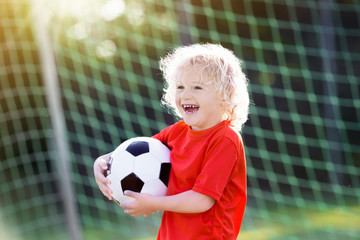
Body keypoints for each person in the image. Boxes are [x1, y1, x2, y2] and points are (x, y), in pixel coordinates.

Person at [94, 43, 250, 240]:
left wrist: (154, 203)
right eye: (180, 87)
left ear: (224, 96)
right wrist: (102, 161)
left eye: (197, 87)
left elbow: (202, 200)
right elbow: (137, 151)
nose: (186, 94)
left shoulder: (225, 139)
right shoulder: (177, 132)